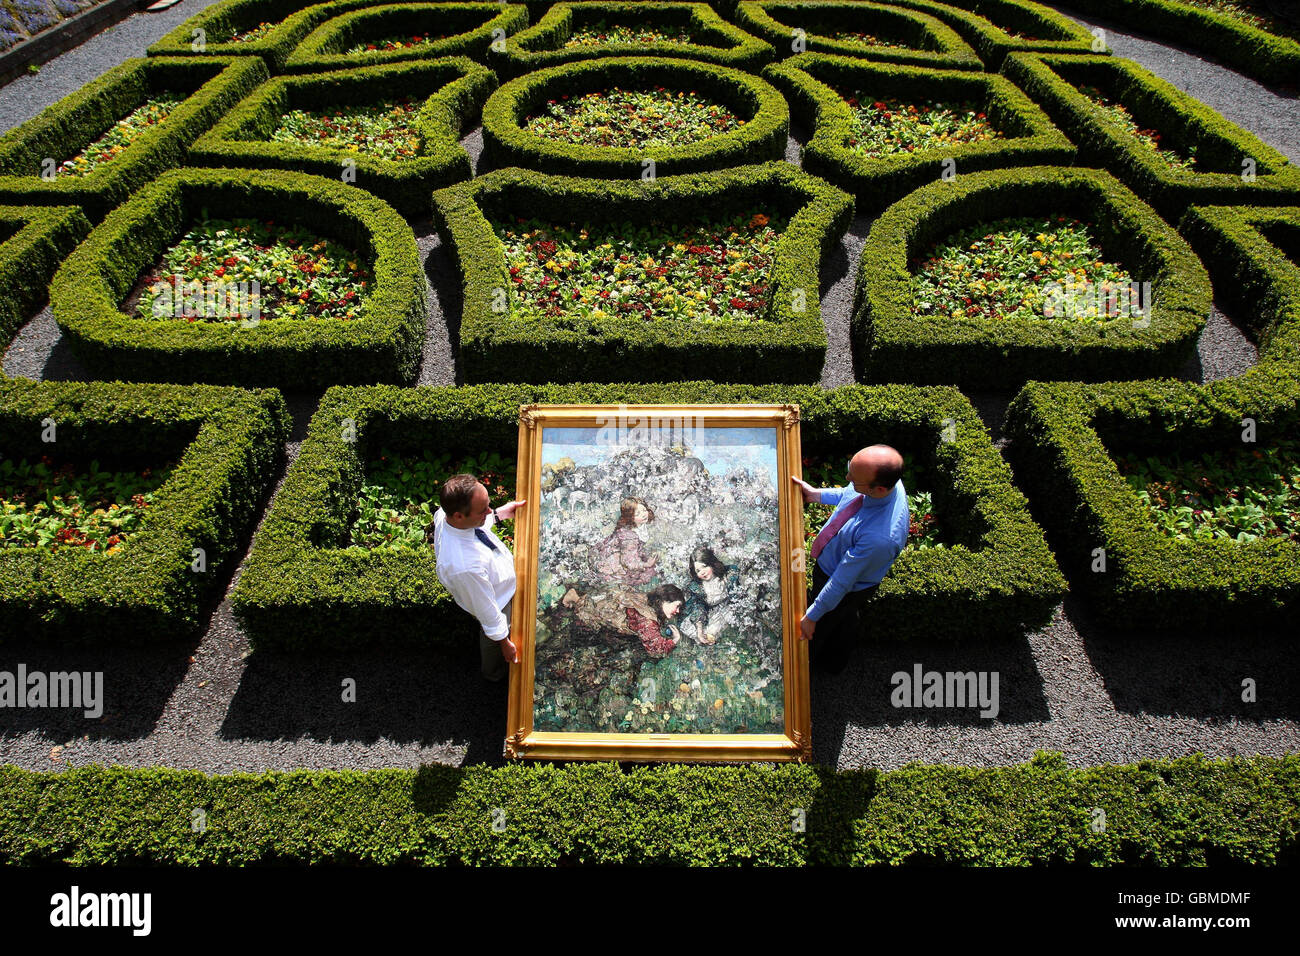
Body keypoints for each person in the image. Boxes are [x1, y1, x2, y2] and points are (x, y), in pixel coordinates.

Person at [792, 445, 909, 674]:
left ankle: (807, 670)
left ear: (880, 489)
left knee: (820, 626)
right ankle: (836, 660)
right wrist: (817, 495)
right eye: (849, 470)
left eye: (854, 479)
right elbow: (851, 495)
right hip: (840, 572)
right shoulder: (884, 482)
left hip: (847, 585)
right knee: (844, 619)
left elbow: (840, 583)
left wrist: (812, 616)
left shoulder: (879, 539)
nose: (847, 478)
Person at [429, 473, 526, 682]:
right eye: (484, 510)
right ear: (458, 516)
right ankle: (493, 674)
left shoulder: (444, 516)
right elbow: (488, 611)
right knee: (492, 639)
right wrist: (504, 643)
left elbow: (477, 526)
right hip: (500, 602)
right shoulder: (465, 567)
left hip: (494, 586)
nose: (489, 511)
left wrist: (499, 514)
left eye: (488, 505)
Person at [592, 496, 659, 586]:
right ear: (630, 517)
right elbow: (627, 561)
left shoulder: (637, 527)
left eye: (644, 510)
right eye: (637, 514)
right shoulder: (629, 536)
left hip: (625, 555)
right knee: (649, 572)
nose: (643, 514)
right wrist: (646, 564)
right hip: (615, 565)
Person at [681, 545, 741, 645]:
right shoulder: (698, 587)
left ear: (712, 564)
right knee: (701, 633)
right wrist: (700, 631)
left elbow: (738, 595)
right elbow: (699, 607)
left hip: (729, 609)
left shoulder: (729, 574)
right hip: (709, 613)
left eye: (704, 567)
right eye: (698, 571)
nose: (702, 572)